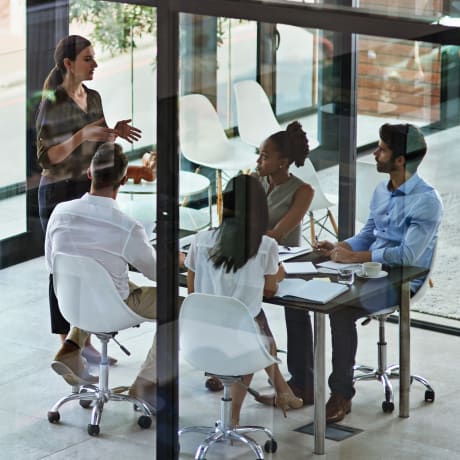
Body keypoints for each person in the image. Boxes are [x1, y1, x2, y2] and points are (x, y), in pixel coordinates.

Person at [316, 123, 443, 423]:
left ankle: (341, 395)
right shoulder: (381, 191)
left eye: (382, 149)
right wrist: (340, 246)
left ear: (400, 160)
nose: (375, 153)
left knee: (341, 310)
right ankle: (304, 384)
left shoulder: (426, 201)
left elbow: (407, 256)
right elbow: (369, 234)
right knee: (320, 292)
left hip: (403, 279)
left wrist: (355, 257)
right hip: (371, 269)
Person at [36, 35, 142, 364]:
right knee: (65, 270)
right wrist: (82, 134)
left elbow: (96, 147)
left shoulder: (92, 97)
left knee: (92, 266)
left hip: (85, 189)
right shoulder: (53, 103)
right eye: (88, 59)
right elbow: (47, 157)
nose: (95, 64)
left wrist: (114, 132)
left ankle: (83, 340)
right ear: (69, 64)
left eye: (94, 58)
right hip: (57, 192)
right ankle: (69, 346)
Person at [45, 142, 176, 408]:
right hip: (114, 306)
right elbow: (157, 274)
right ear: (124, 180)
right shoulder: (127, 226)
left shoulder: (60, 212)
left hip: (73, 300)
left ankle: (71, 347)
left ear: (90, 173)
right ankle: (146, 382)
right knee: (177, 306)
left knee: (98, 281)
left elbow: (52, 264)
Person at [185, 175, 303, 426]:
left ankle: (284, 392)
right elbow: (270, 290)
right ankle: (233, 416)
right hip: (240, 341)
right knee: (253, 330)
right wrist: (279, 272)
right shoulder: (266, 246)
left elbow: (192, 292)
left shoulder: (200, 241)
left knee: (253, 325)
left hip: (200, 334)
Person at [254, 121, 315, 405]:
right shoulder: (254, 181)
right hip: (253, 258)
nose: (258, 160)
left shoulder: (302, 191)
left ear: (283, 162)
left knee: (297, 309)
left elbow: (277, 234)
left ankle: (302, 383)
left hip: (285, 263)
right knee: (230, 296)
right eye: (259, 154)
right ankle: (226, 366)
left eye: (265, 156)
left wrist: (243, 236)